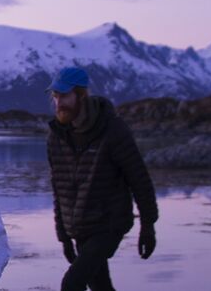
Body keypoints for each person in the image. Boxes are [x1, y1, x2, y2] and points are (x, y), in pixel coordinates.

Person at [46, 66, 159, 291]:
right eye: (55, 96)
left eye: (64, 96)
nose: (59, 103)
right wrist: (64, 236)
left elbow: (139, 179)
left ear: (80, 95)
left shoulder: (112, 130)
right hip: (79, 226)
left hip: (109, 223)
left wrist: (148, 225)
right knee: (100, 286)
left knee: (71, 284)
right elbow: (59, 190)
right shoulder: (56, 137)